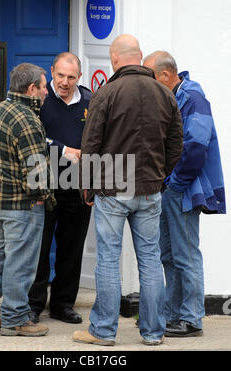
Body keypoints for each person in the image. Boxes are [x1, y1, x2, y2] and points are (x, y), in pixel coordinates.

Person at [73, 34, 183, 346]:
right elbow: (177, 144)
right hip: (149, 188)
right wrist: (160, 176)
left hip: (113, 187)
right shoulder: (165, 94)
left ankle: (103, 332)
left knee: (108, 258)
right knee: (150, 259)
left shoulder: (106, 93)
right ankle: (152, 333)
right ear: (140, 55)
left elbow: (90, 144)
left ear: (116, 59)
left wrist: (89, 187)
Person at [143, 51, 226, 337]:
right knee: (169, 254)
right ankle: (172, 315)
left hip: (183, 190)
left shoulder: (193, 98)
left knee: (186, 255)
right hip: (169, 189)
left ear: (165, 75)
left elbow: (196, 147)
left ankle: (191, 319)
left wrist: (175, 183)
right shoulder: (171, 98)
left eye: (149, 75)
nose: (146, 82)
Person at [0, 63, 54, 337]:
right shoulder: (28, 120)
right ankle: (15, 318)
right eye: (43, 86)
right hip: (22, 205)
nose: (46, 91)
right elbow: (36, 171)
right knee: (20, 263)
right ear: (31, 89)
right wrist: (45, 198)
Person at [28, 52, 92, 324]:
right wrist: (63, 150)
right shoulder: (38, 99)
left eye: (71, 77)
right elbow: (32, 139)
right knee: (38, 249)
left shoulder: (90, 101)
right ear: (52, 71)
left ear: (79, 77)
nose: (64, 82)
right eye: (60, 75)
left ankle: (63, 304)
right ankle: (33, 305)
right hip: (43, 186)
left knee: (71, 249)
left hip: (77, 187)